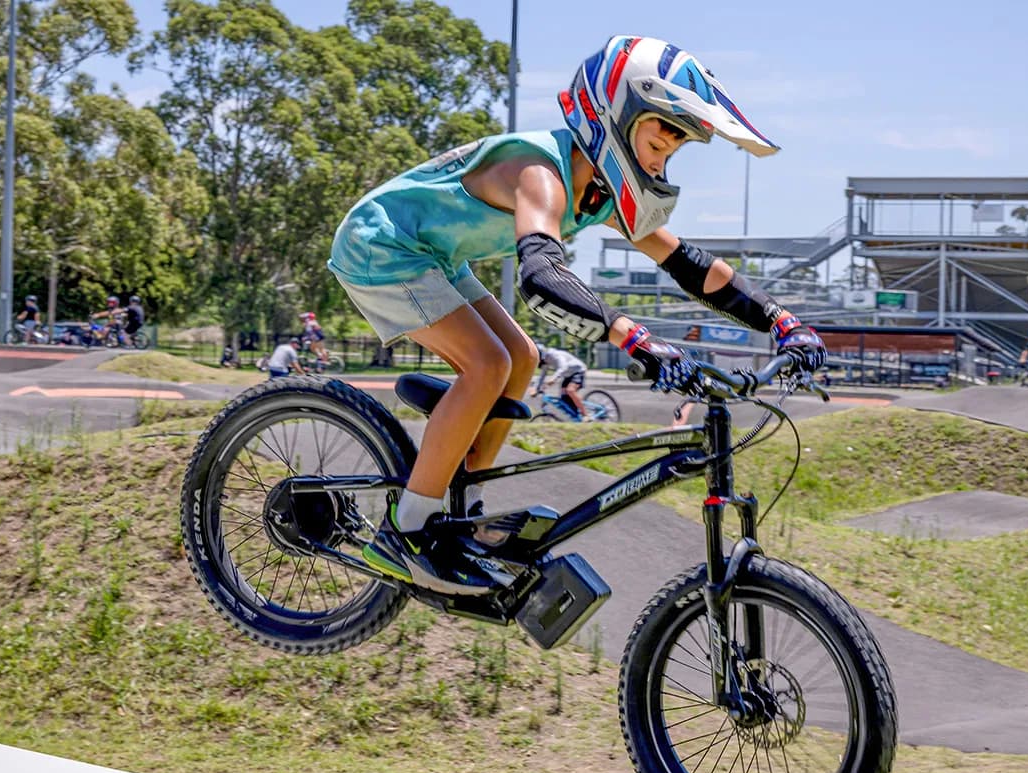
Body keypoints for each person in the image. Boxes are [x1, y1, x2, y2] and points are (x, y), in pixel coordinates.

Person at [326, 35, 827, 596]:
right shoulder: (541, 170)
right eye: (659, 137)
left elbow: (690, 265)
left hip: (434, 254)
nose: (663, 159)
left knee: (522, 358)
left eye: (674, 149)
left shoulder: (603, 192)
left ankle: (460, 504)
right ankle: (406, 533)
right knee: (488, 364)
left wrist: (782, 322)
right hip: (383, 245)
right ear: (614, 115)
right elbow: (541, 274)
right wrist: (634, 338)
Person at [533, 343, 591, 420]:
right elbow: (542, 376)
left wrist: (554, 378)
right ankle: (576, 417)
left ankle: (585, 415)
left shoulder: (554, 355)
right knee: (564, 396)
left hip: (578, 370)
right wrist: (536, 388)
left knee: (570, 390)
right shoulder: (545, 361)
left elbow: (563, 367)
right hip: (568, 374)